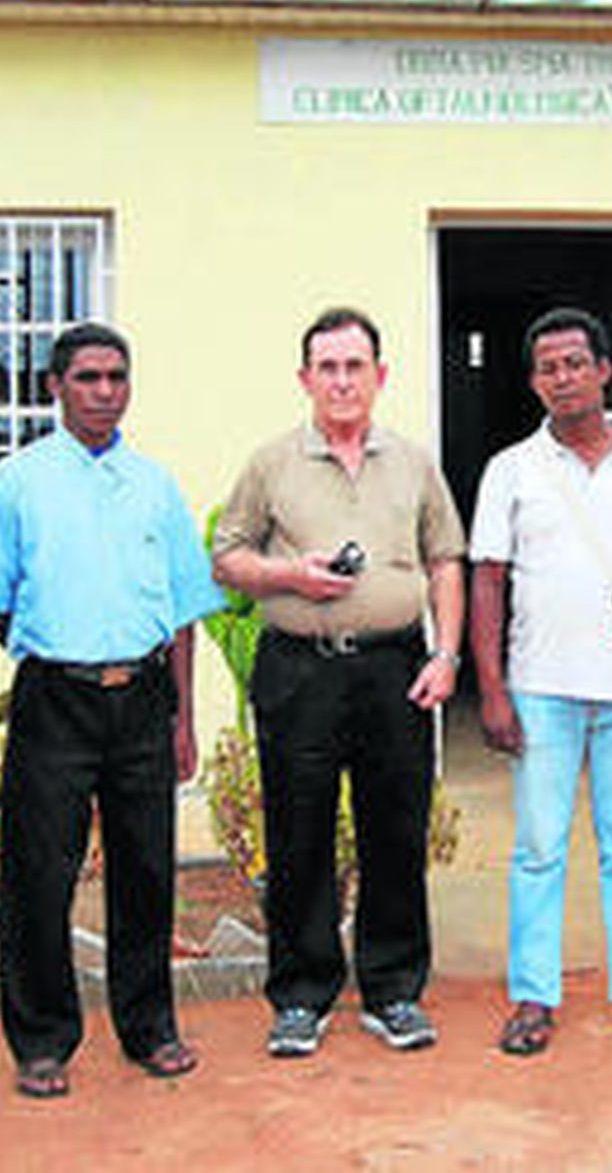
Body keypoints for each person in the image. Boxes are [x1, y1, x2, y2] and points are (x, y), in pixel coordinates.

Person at [0, 321, 224, 1097]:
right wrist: (50, 642)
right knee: (40, 873)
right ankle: (42, 1041)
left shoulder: (154, 485)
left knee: (147, 869)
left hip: (142, 698)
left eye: (116, 378)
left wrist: (182, 718)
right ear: (55, 387)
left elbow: (182, 609)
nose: (105, 392)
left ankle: (150, 1027)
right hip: (55, 699)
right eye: (87, 378)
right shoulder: (16, 483)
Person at [213, 307, 465, 1058]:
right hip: (300, 671)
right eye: (328, 367)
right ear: (305, 378)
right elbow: (228, 557)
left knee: (397, 831)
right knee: (298, 833)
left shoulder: (414, 463)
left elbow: (446, 559)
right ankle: (301, 995)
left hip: (396, 669)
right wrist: (291, 574)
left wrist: (446, 655)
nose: (342, 381)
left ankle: (393, 991)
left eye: (356, 366)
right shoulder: (271, 464)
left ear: (380, 375)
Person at [469, 307, 612, 1057]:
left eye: (575, 363)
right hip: (541, 688)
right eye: (548, 368)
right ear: (534, 382)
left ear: (604, 370)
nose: (562, 377)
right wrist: (494, 689)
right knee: (539, 848)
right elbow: (487, 582)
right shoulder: (511, 469)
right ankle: (534, 996)